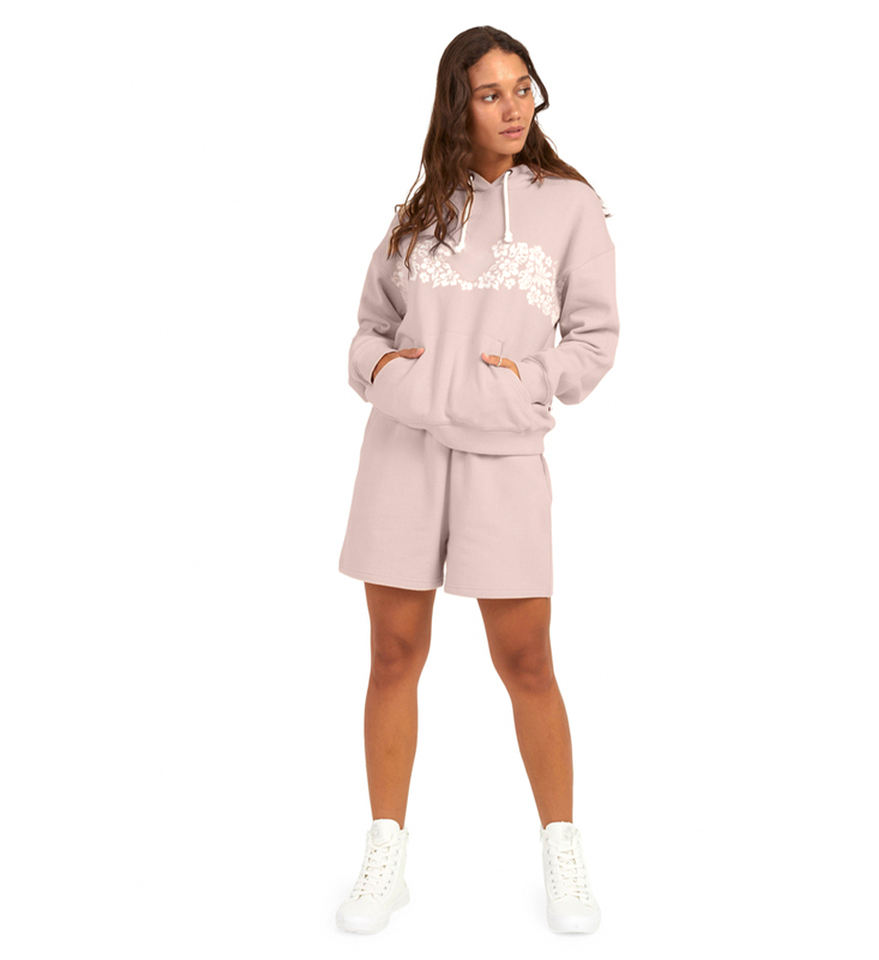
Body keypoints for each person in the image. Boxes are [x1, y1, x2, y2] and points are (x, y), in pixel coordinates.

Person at [336, 26, 618, 935]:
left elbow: (595, 339)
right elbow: (368, 329)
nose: (512, 107)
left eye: (522, 87)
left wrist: (526, 383)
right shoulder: (420, 210)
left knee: (527, 661)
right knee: (393, 655)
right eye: (490, 93)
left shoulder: (569, 205)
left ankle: (563, 852)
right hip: (402, 453)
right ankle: (385, 854)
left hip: (503, 455)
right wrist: (387, 372)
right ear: (457, 104)